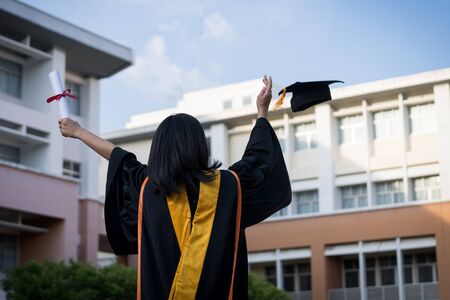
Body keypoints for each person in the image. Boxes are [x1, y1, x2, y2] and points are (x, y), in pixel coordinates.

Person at [59, 75, 291, 300]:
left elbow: (118, 156)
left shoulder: (147, 187)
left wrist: (78, 132)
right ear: (199, 145)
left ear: (159, 148)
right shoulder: (229, 186)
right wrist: (262, 113)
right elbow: (258, 158)